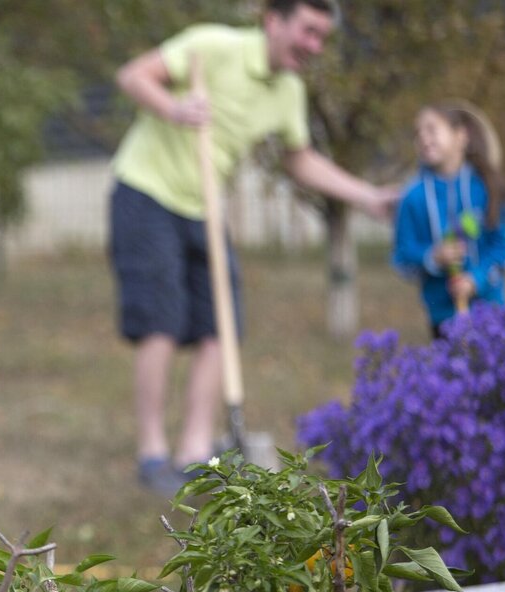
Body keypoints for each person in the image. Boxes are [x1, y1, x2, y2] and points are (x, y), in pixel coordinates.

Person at [109, 0, 399, 493]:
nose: (314, 46)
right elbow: (133, 75)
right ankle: (152, 454)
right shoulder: (212, 46)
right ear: (272, 20)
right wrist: (174, 108)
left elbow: (300, 160)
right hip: (146, 192)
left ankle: (194, 453)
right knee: (159, 321)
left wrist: (365, 196)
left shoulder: (288, 90)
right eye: (307, 31)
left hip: (204, 205)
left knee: (221, 325)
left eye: (322, 37)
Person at [392, 101, 505, 338]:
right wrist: (433, 256)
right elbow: (402, 257)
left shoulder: (489, 187)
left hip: (493, 312)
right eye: (417, 133)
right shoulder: (412, 198)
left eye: (431, 129)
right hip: (443, 318)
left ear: (461, 136)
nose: (423, 138)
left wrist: (476, 280)